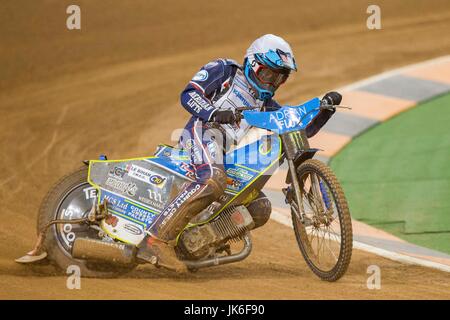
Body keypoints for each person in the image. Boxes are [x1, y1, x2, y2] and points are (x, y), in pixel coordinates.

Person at [136, 34, 342, 271]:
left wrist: (325, 110)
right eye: (268, 74)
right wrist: (214, 113)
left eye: (279, 78)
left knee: (260, 207)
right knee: (214, 179)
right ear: (253, 65)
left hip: (222, 153)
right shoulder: (225, 70)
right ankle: (155, 240)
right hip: (202, 133)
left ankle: (197, 244)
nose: (271, 83)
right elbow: (189, 94)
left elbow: (302, 129)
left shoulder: (265, 105)